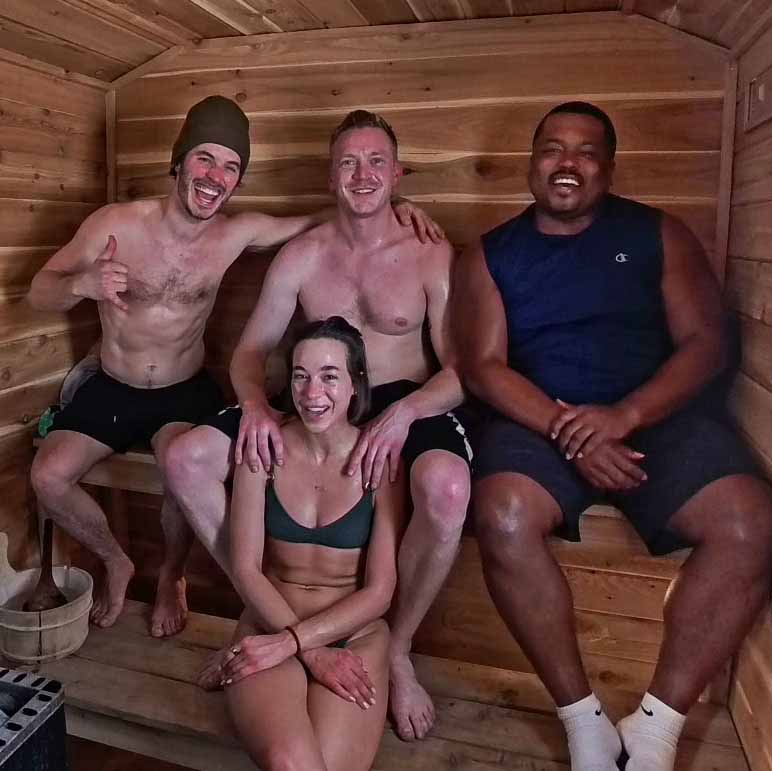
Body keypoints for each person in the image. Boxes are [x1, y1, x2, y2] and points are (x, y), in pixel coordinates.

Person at [27, 95, 438, 636]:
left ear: (237, 181)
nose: (215, 176)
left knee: (180, 463)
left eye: (230, 166)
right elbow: (40, 291)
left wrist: (397, 205)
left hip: (182, 388)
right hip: (113, 383)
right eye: (205, 159)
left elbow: (327, 216)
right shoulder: (116, 224)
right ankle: (116, 559)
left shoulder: (236, 233)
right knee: (46, 476)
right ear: (179, 161)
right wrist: (82, 283)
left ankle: (173, 575)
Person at [453, 101, 772, 771]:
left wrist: (623, 417)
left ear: (608, 168)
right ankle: (584, 723)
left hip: (657, 416)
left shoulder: (659, 233)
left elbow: (706, 342)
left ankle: (656, 726)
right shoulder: (489, 254)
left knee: (749, 521)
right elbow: (482, 367)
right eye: (552, 148)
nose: (567, 162)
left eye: (586, 151)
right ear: (531, 161)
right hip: (539, 420)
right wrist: (572, 432)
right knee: (503, 514)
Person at [166, 109, 472, 741]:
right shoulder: (302, 256)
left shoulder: (430, 254)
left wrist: (406, 412)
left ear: (397, 173)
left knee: (446, 489)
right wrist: (254, 405)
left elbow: (464, 370)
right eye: (349, 163)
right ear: (331, 174)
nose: (363, 175)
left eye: (376, 162)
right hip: (314, 396)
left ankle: (399, 648)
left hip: (406, 401)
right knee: (184, 459)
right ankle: (265, 616)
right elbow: (251, 351)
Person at [197, 316, 404, 771]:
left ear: (355, 385)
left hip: (355, 636)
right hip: (269, 628)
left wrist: (298, 644)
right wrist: (301, 648)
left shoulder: (381, 462)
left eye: (330, 376)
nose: (312, 394)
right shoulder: (263, 449)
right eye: (300, 376)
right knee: (290, 764)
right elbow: (247, 567)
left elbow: (380, 591)